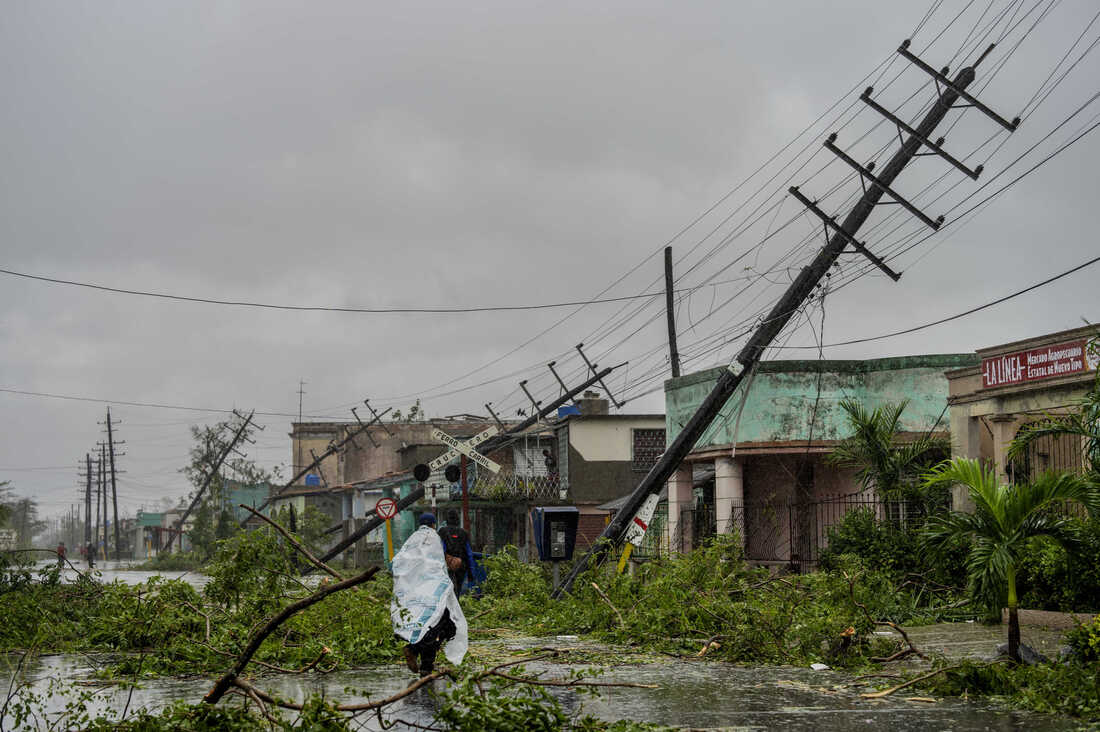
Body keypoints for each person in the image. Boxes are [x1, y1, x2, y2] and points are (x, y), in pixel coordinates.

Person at [391, 513, 468, 677]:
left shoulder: (412, 540)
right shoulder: (435, 538)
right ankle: (421, 660)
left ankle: (421, 659)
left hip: (417, 593)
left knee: (432, 626)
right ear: (434, 524)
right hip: (435, 591)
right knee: (444, 625)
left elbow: (399, 563)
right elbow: (442, 561)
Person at [438, 510, 471, 595]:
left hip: (445, 567)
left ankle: (447, 607)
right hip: (460, 566)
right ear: (458, 520)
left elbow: (440, 549)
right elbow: (468, 554)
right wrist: (471, 573)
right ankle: (456, 606)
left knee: (445, 591)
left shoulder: (442, 531)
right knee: (458, 589)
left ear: (447, 520)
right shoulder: (464, 533)